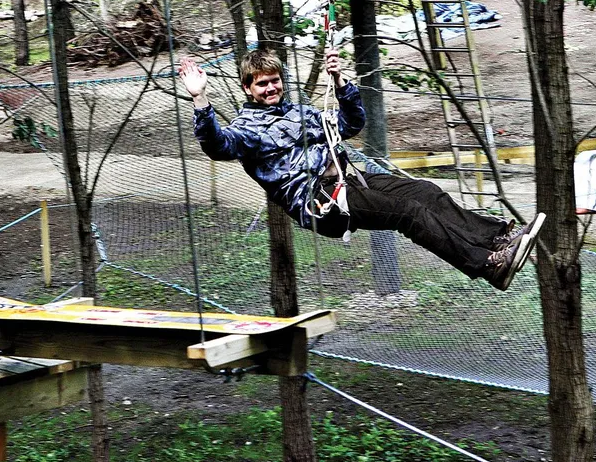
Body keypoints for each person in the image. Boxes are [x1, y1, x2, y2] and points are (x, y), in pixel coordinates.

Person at [179, 48, 545, 290]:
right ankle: (488, 266)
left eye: (275, 80)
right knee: (408, 212)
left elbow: (351, 124)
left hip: (348, 178)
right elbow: (217, 146)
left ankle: (498, 238)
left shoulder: (300, 112)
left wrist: (340, 84)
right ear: (248, 88)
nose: (271, 87)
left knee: (426, 191)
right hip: (320, 201)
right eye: (262, 84)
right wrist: (200, 98)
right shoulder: (245, 131)